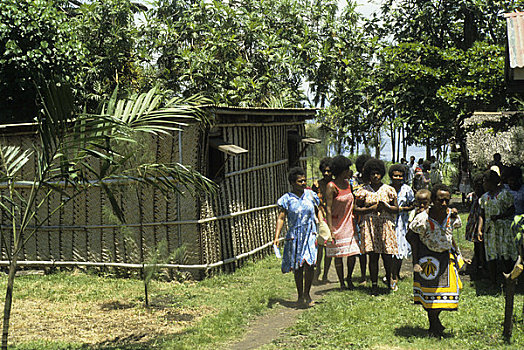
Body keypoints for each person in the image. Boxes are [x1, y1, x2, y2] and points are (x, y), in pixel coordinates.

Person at [407, 184, 463, 337]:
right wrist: (416, 262)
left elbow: (451, 235)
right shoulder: (422, 218)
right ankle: (433, 324)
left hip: (445, 258)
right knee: (429, 294)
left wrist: (458, 254)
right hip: (427, 259)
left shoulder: (451, 215)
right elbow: (410, 237)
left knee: (450, 291)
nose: (444, 203)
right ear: (433, 200)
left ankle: (435, 321)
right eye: (440, 200)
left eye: (447, 200)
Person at [273, 167, 319, 306]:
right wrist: (276, 237)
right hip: (294, 236)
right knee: (298, 267)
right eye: (300, 181)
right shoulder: (286, 199)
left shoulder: (311, 196)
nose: (304, 183)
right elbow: (281, 218)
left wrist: (323, 226)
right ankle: (300, 296)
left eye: (304, 180)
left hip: (310, 233)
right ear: (292, 183)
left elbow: (319, 211)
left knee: (309, 264)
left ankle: (307, 294)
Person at [355, 158, 398, 294]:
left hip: (385, 225)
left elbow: (396, 209)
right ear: (368, 174)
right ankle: (374, 283)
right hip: (370, 226)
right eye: (373, 173)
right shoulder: (363, 191)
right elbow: (356, 209)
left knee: (387, 256)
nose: (375, 176)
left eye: (378, 173)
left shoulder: (389, 190)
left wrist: (385, 206)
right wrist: (370, 209)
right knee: (373, 256)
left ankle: (390, 279)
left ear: (382, 174)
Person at [325, 156, 361, 289]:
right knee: (338, 255)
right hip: (336, 224)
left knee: (352, 253)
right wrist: (330, 229)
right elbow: (328, 208)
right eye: (347, 169)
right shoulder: (331, 186)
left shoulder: (349, 184)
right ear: (341, 170)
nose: (349, 171)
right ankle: (341, 282)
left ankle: (349, 278)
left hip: (350, 223)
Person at [478, 170, 516, 286]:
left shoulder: (505, 194)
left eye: (485, 182)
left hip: (503, 228)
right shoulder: (484, 197)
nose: (483, 185)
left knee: (505, 254)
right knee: (491, 254)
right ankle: (493, 281)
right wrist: (480, 229)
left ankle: (509, 279)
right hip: (490, 230)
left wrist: (500, 216)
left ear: (491, 182)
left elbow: (512, 209)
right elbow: (482, 213)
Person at [389, 163, 415, 290]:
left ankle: (395, 274)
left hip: (402, 222)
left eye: (400, 176)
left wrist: (402, 208)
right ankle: (390, 273)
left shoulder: (407, 189)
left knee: (399, 248)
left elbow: (412, 204)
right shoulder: (387, 189)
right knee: (389, 248)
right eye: (395, 176)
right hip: (388, 221)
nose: (397, 178)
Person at [311, 157, 334, 282]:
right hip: (320, 217)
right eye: (324, 171)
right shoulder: (316, 185)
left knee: (329, 247)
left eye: (329, 171)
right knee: (320, 246)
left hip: (332, 217)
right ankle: (317, 270)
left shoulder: (336, 185)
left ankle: (325, 274)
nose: (326, 173)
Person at [353, 154, 372, 285]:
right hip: (357, 216)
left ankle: (372, 274)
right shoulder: (353, 181)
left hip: (372, 216)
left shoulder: (374, 181)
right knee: (361, 248)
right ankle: (363, 275)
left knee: (372, 247)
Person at [465, 174, 486, 279]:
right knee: (477, 246)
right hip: (474, 222)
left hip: (483, 223)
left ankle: (482, 266)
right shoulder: (472, 196)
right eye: (476, 187)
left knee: (483, 246)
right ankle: (477, 265)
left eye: (479, 187)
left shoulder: (485, 197)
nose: (477, 189)